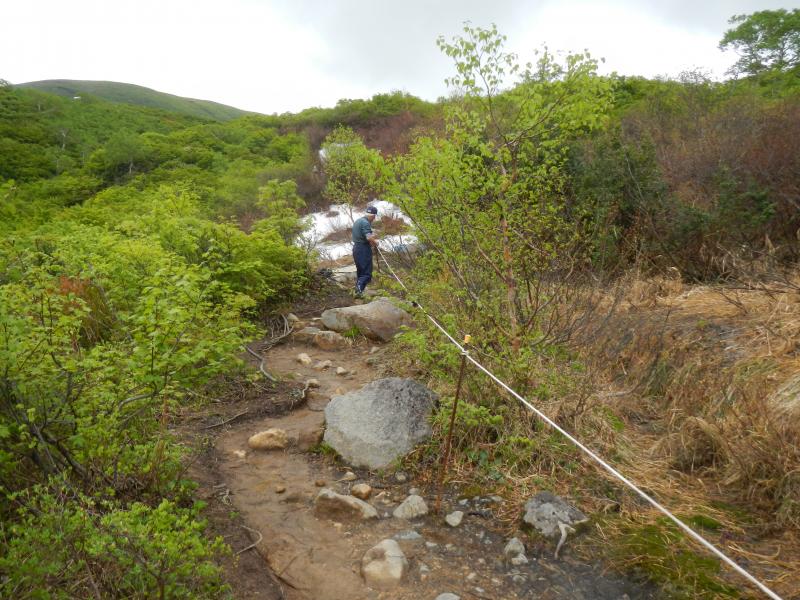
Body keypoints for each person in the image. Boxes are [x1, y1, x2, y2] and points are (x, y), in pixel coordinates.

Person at [351, 206, 378, 297]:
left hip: (356, 248)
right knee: (366, 272)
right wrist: (375, 242)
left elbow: (362, 235)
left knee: (360, 271)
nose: (374, 219)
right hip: (363, 249)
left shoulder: (358, 221)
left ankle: (358, 289)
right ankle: (358, 291)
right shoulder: (366, 223)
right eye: (374, 217)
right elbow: (368, 237)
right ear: (373, 216)